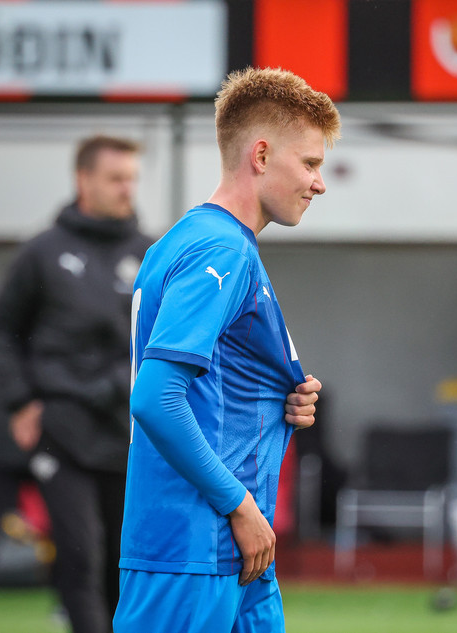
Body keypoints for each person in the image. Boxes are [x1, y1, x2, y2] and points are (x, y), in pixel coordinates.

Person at [112, 67, 341, 633]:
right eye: (309, 163)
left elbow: (211, 383)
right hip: (195, 545)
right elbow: (156, 398)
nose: (319, 183)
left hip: (233, 549)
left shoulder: (194, 241)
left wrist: (279, 400)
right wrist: (238, 505)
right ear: (260, 155)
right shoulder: (221, 249)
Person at [0, 135, 153, 633]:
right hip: (61, 429)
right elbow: (0, 332)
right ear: (84, 180)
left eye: (132, 179)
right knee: (81, 556)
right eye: (116, 178)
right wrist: (19, 401)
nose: (127, 189)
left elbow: (159, 340)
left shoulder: (149, 253)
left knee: (122, 563)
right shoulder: (42, 253)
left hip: (125, 430)